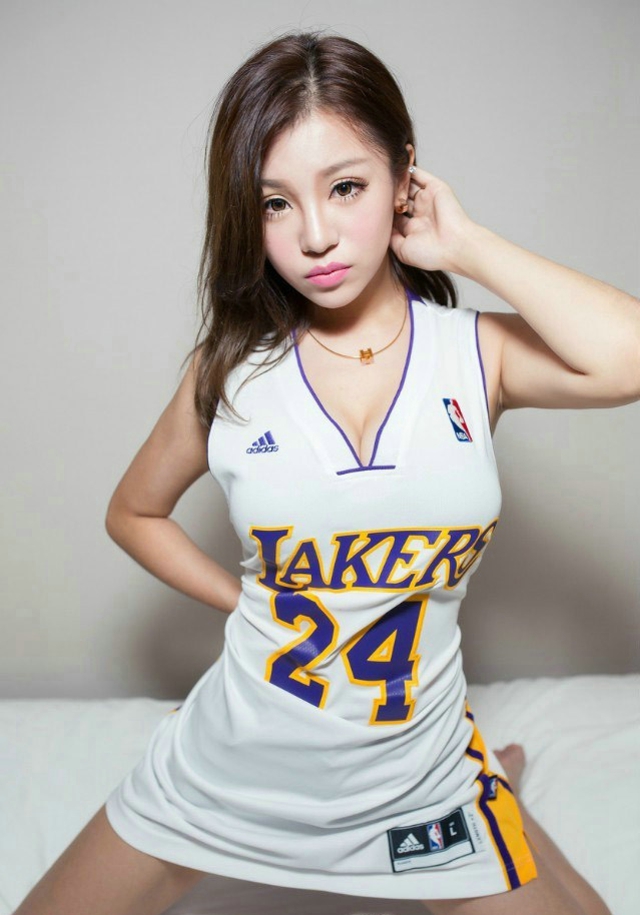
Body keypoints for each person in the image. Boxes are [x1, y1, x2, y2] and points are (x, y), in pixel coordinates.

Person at [15, 29, 638, 915]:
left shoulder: (475, 354)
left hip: (416, 777)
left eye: (347, 187)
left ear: (404, 178)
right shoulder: (230, 372)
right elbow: (133, 512)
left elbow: (629, 356)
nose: (314, 235)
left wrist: (466, 245)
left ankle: (491, 786)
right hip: (232, 765)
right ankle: (495, 784)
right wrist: (244, 602)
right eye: (276, 203)